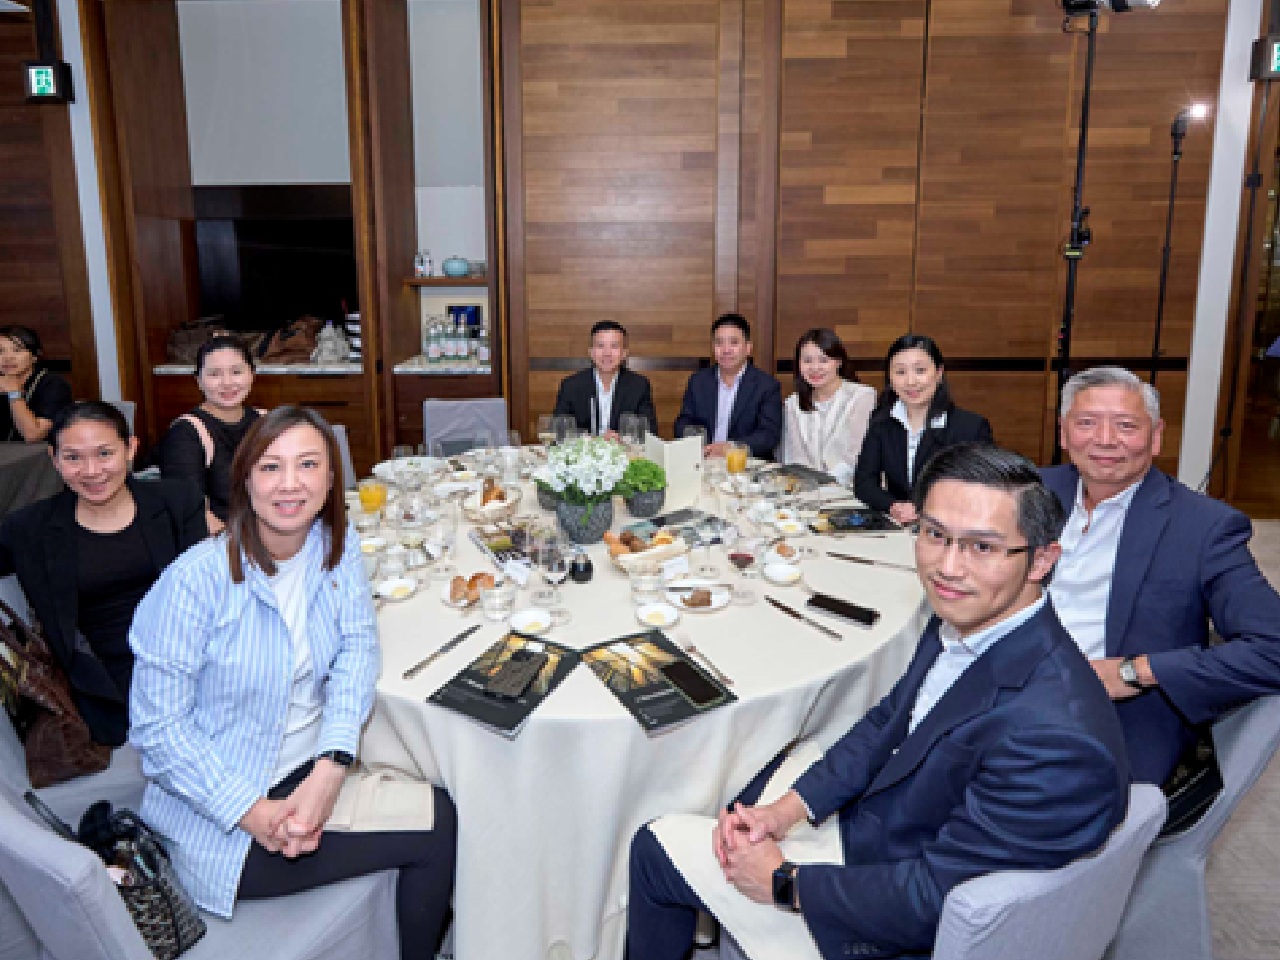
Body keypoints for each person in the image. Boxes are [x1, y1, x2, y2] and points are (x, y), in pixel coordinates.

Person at [627, 443, 1129, 960]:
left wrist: (784, 882)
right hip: (888, 828)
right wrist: (785, 811)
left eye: (981, 547)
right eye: (935, 534)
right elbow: (889, 722)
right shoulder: (973, 617)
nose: (948, 567)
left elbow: (937, 901)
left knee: (653, 848)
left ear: (1042, 559)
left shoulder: (1056, 740)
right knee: (747, 788)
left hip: (890, 913)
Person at [128, 406, 456, 953]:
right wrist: (253, 812)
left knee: (443, 779)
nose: (289, 484)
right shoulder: (193, 583)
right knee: (439, 826)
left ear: (331, 480)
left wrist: (331, 767)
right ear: (244, 480)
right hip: (224, 818)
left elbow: (357, 647)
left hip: (306, 767)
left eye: (307, 464)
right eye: (270, 466)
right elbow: (158, 732)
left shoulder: (333, 546)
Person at [1044, 366, 1280, 786]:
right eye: (1087, 422)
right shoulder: (1028, 493)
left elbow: (1272, 648)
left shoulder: (1203, 527)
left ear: (1156, 437)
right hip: (1000, 688)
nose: (1104, 439)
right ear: (1064, 433)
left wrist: (1135, 671)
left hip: (1105, 719)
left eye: (1126, 425)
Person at [0, 401, 206, 746]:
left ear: (130, 449)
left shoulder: (176, 502)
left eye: (105, 453)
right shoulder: (30, 527)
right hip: (103, 680)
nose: (92, 471)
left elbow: (208, 589)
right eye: (73, 458)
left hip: (187, 661)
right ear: (54, 459)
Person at [853, 334, 993, 523]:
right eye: (900, 372)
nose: (911, 381)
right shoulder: (882, 422)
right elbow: (864, 483)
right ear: (890, 378)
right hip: (900, 527)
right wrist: (893, 506)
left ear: (939, 373)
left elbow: (980, 490)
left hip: (951, 527)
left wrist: (923, 508)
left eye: (920, 370)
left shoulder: (971, 427)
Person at [158, 334, 262, 535]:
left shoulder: (266, 422)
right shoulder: (186, 433)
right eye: (214, 374)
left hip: (272, 533)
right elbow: (191, 512)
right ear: (198, 380)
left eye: (236, 372)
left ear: (252, 374)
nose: (227, 383)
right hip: (220, 542)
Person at [674, 314, 783, 459]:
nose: (726, 350)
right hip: (704, 460)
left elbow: (769, 435)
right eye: (719, 343)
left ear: (748, 348)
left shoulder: (767, 386)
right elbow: (683, 422)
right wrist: (698, 444)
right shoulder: (698, 381)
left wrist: (731, 448)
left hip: (745, 465)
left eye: (733, 342)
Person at [779, 328, 876, 484]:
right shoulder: (793, 404)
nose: (815, 368)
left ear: (838, 362)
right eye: (807, 361)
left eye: (823, 360)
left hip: (850, 489)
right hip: (806, 489)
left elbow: (855, 457)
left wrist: (825, 485)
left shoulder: (862, 397)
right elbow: (795, 458)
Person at [552, 320, 659, 437]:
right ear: (591, 352)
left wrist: (621, 438)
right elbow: (559, 431)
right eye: (600, 346)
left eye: (614, 346)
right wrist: (588, 440)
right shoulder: (571, 386)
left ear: (624, 353)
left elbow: (649, 432)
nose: (607, 353)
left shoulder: (639, 385)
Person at [0, 325, 72, 443]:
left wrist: (14, 393)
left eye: (17, 350)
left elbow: (33, 435)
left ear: (34, 356)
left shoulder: (53, 384)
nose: (8, 357)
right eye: (0, 351)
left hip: (38, 452)